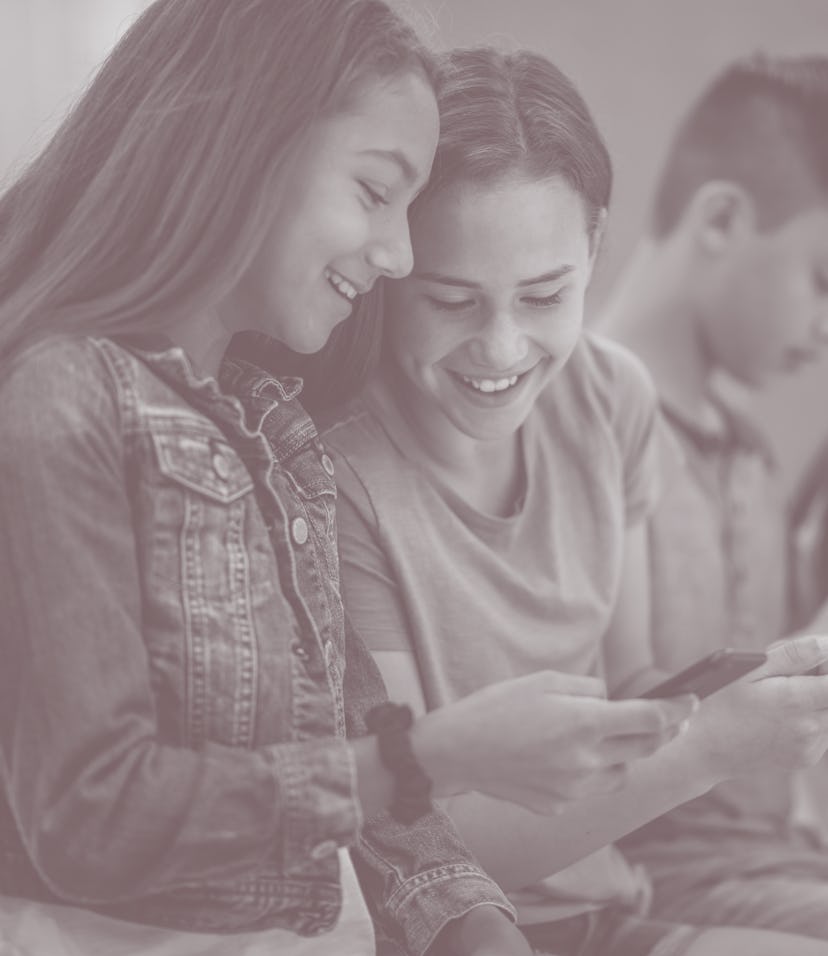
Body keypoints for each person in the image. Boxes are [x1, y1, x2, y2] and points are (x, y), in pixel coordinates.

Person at [0, 4, 700, 955]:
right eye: (377, 193)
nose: (400, 255)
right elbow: (92, 819)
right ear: (242, 152)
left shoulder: (275, 430)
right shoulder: (63, 398)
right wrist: (436, 755)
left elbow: (388, 818)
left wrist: (482, 928)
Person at [318, 46, 828, 956]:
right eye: (453, 300)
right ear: (393, 268)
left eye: (545, 295)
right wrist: (710, 750)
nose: (502, 347)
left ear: (594, 244)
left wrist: (757, 690)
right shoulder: (345, 479)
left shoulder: (611, 399)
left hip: (613, 909)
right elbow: (417, 851)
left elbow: (630, 691)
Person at [598, 53, 828, 939]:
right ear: (724, 217)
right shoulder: (566, 421)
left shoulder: (755, 458)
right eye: (823, 280)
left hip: (780, 866)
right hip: (653, 886)